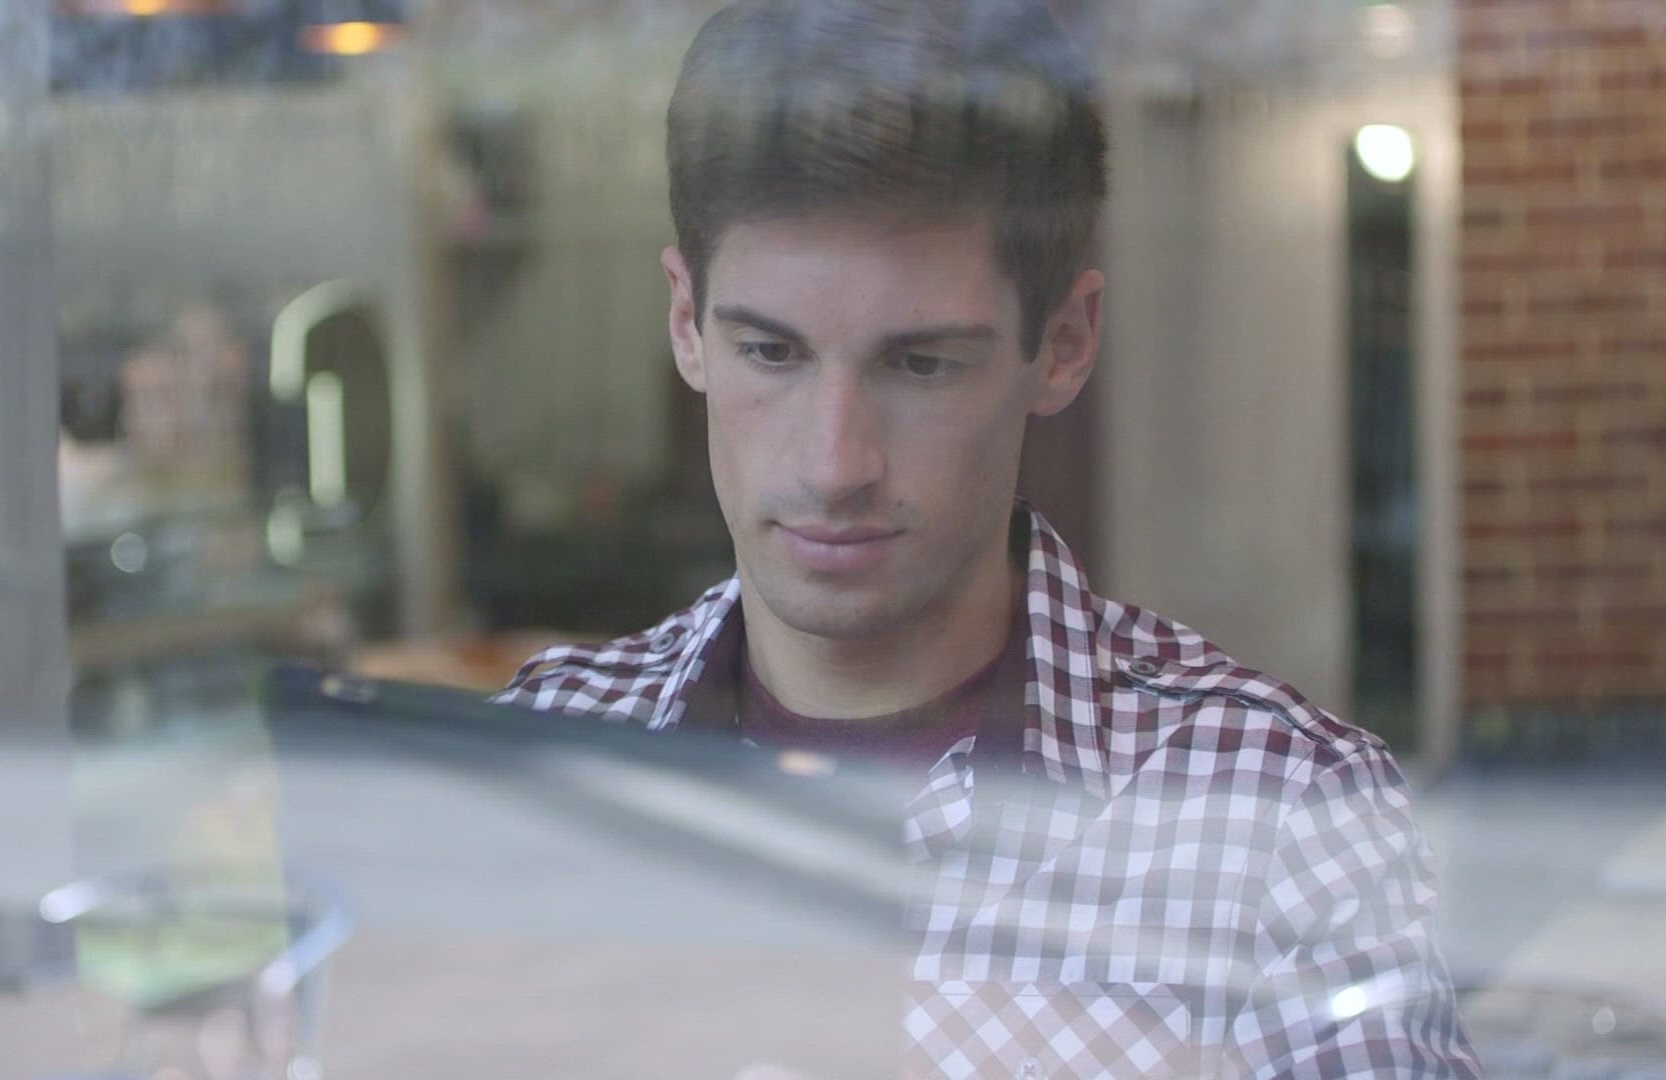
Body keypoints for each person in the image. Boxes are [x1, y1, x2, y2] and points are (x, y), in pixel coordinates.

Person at [496, 1, 1479, 1075]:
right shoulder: (525, 763)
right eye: (771, 353)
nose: (834, 463)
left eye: (921, 364)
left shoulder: (1279, 821)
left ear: (1064, 344)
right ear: (688, 323)